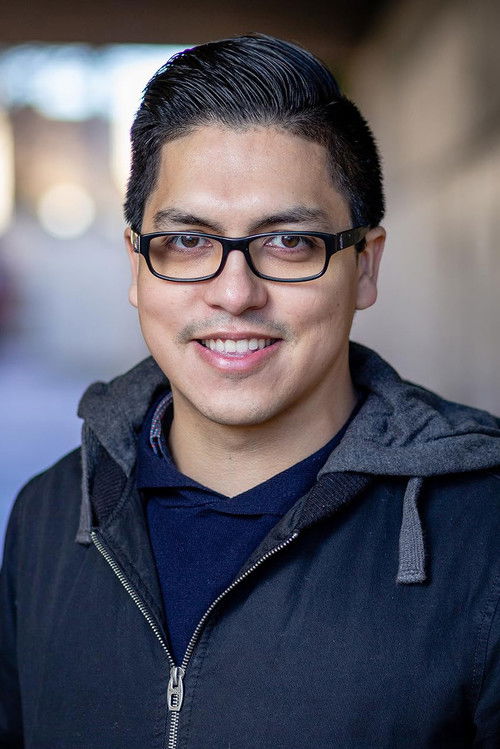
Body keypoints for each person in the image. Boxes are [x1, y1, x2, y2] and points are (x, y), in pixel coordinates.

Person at [1, 33, 499, 749]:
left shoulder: (483, 528)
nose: (235, 294)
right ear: (137, 266)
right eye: (188, 241)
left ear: (364, 266)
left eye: (289, 242)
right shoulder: (48, 515)